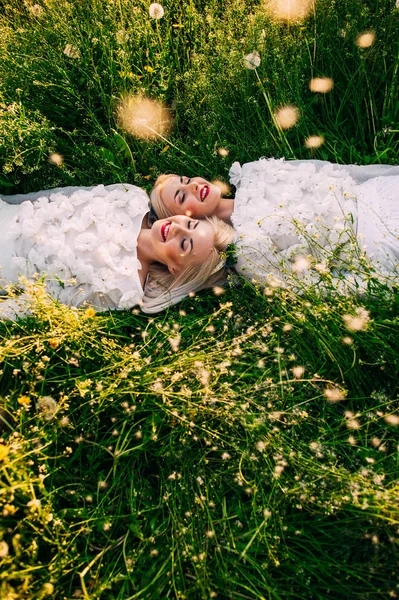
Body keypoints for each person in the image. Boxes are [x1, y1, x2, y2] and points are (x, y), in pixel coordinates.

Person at [150, 158, 399, 292]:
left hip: (379, 192)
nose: (193, 185)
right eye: (182, 197)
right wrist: (381, 285)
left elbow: (332, 170)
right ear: (189, 220)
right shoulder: (248, 253)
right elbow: (317, 287)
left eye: (185, 179)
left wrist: (387, 176)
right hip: (378, 242)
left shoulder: (252, 172)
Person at [0, 183, 235, 320]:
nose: (176, 229)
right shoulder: (132, 198)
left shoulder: (124, 287)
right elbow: (56, 197)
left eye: (184, 243)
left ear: (176, 269)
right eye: (189, 224)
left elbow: (45, 301)